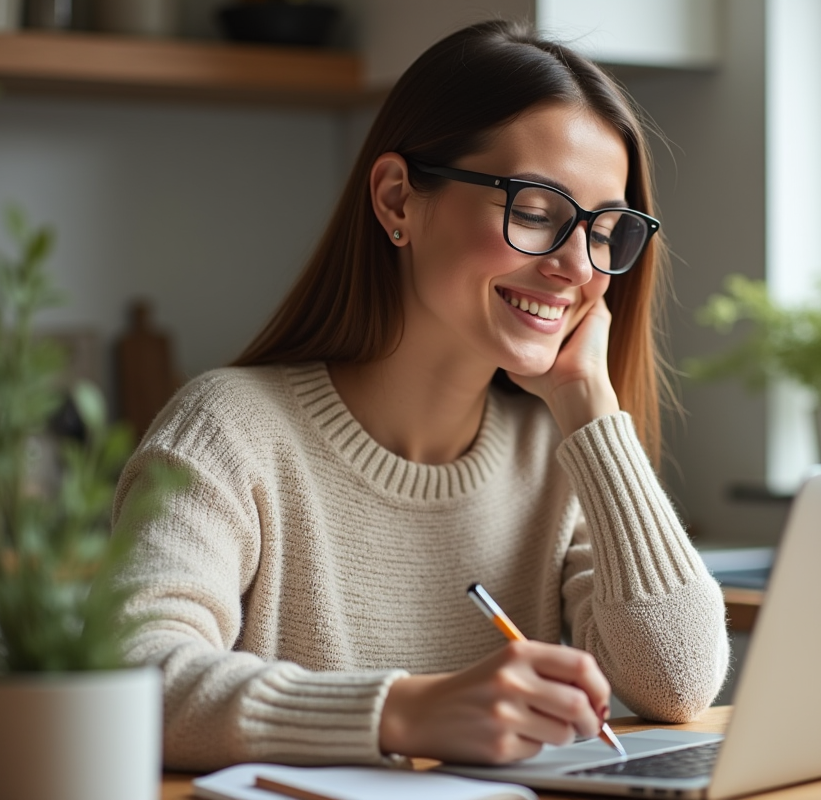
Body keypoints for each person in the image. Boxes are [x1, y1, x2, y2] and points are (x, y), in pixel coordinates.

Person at [112, 18, 729, 773]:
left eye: (604, 230)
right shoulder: (230, 430)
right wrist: (403, 712)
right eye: (536, 211)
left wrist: (590, 405)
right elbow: (128, 680)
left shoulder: (555, 451)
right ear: (398, 199)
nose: (577, 266)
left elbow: (679, 683)